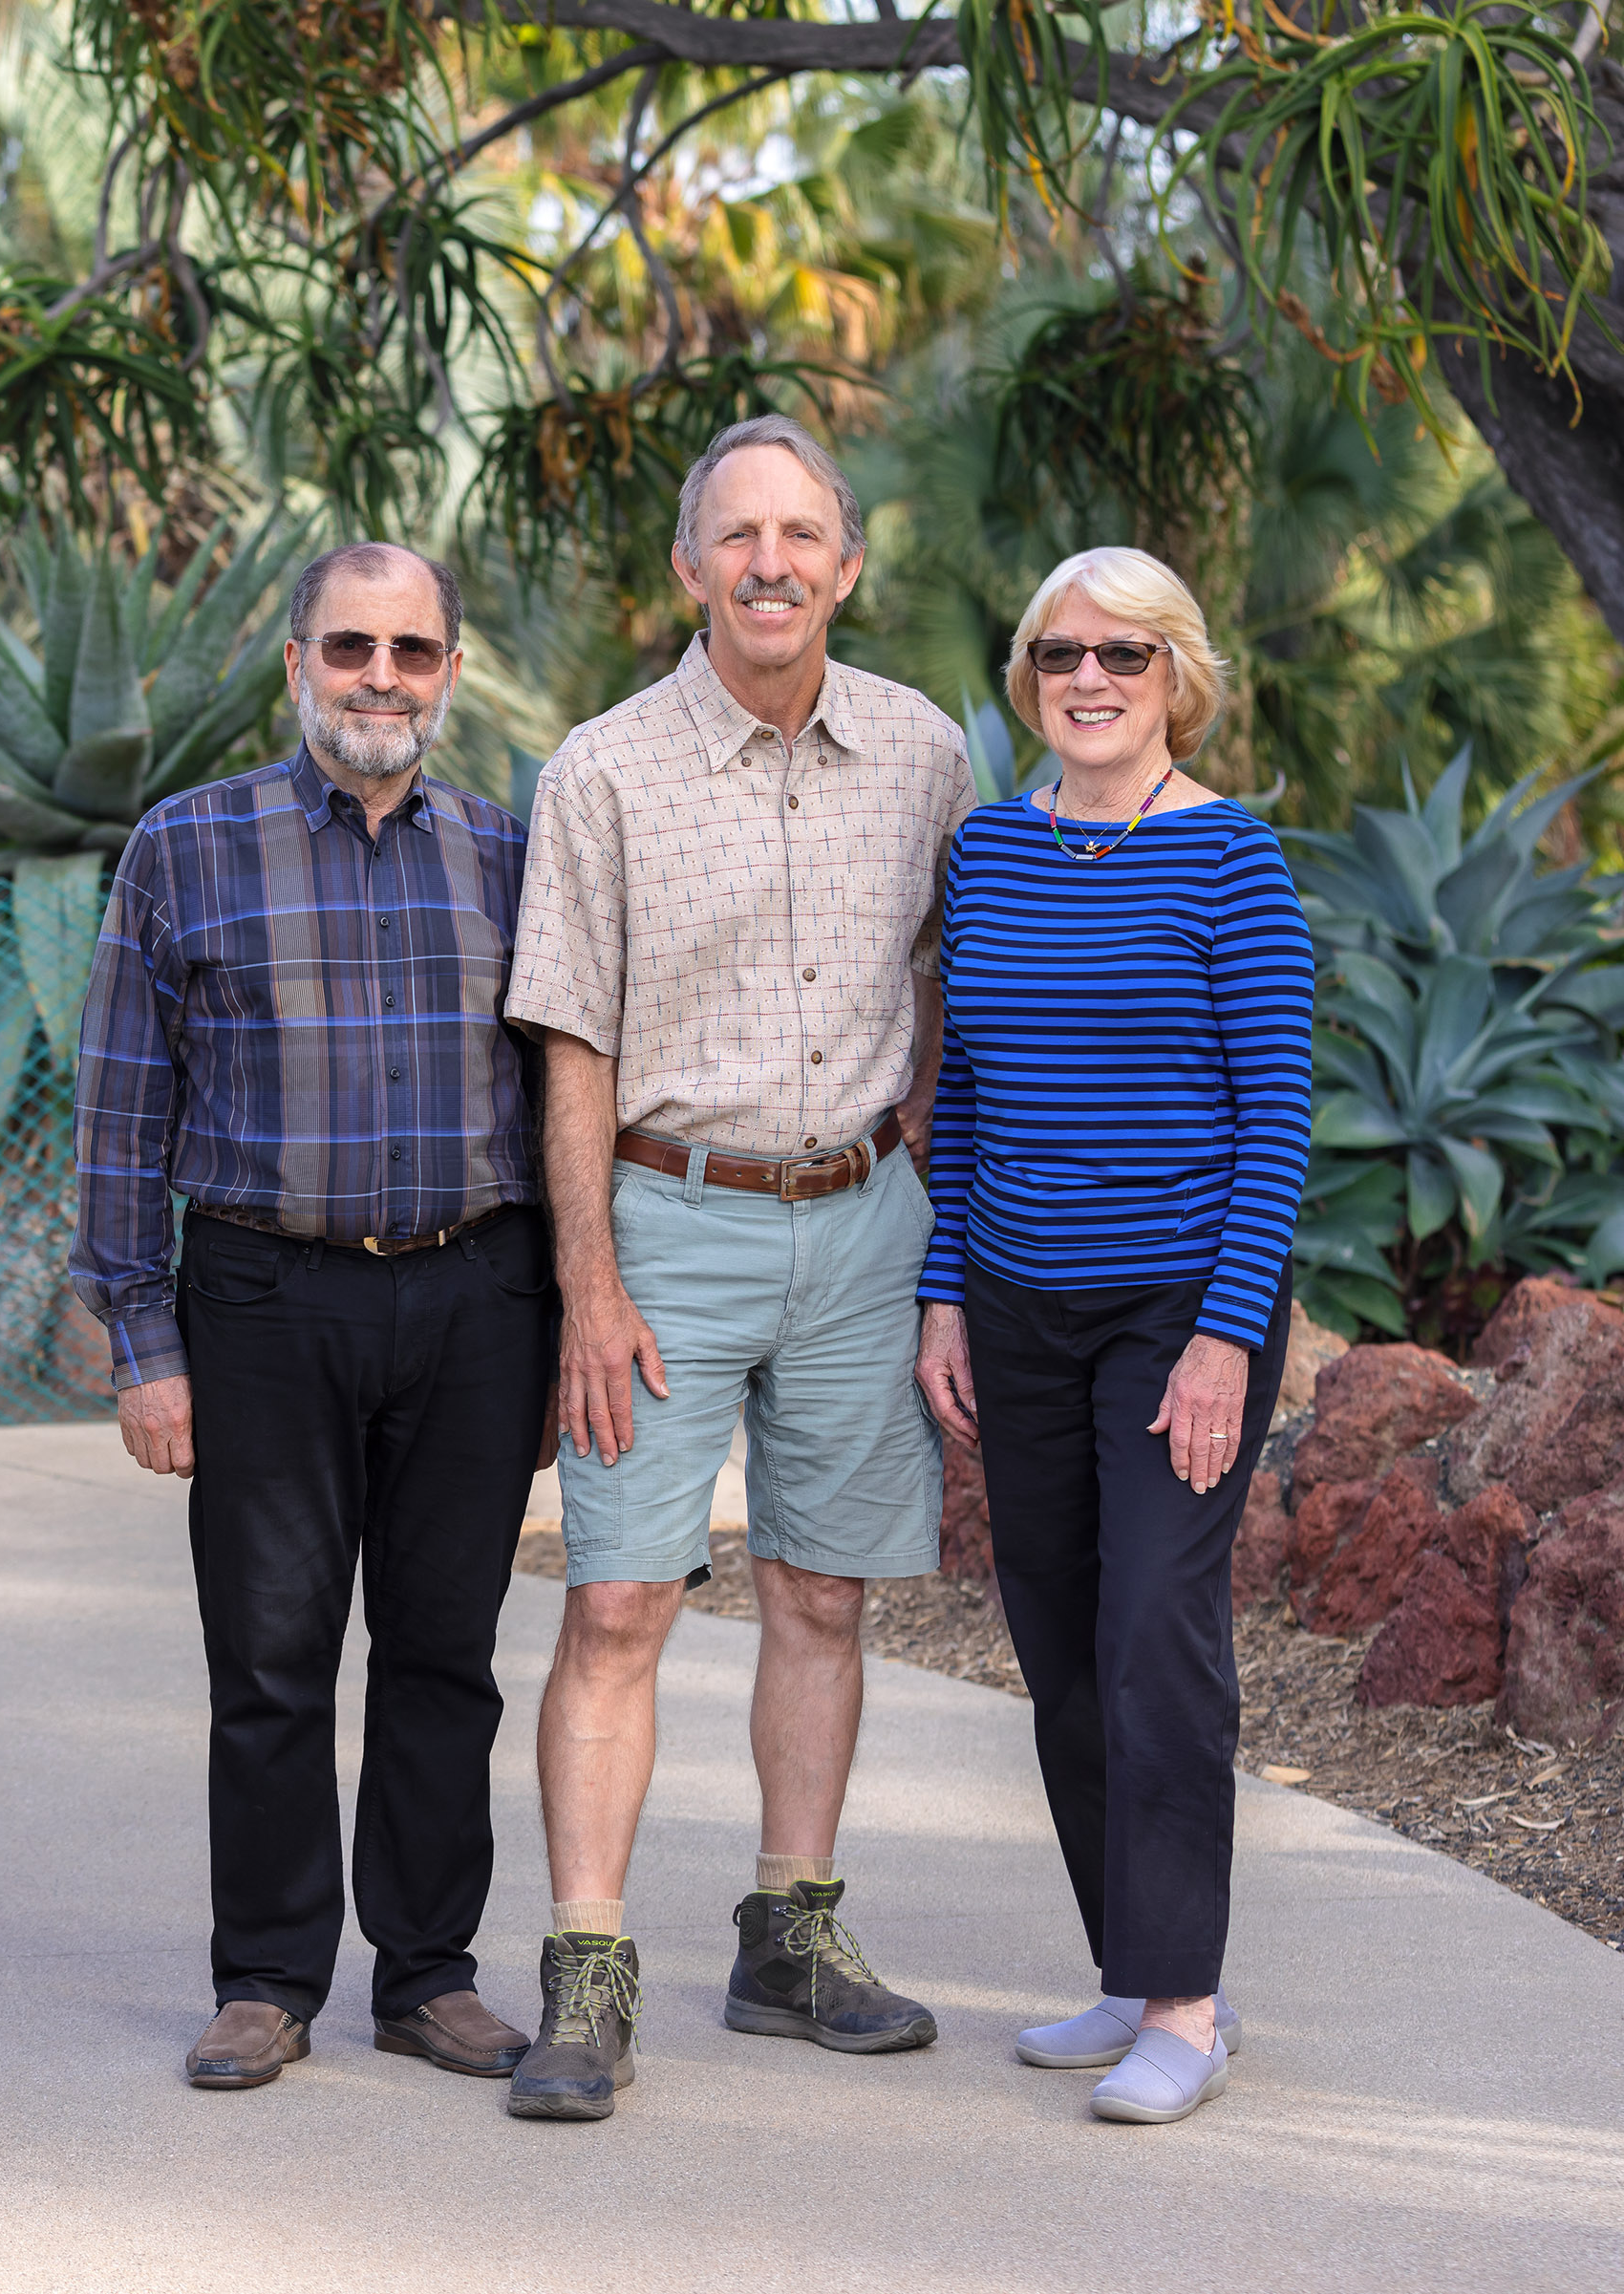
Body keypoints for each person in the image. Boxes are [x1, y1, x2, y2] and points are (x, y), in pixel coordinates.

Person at [499, 415, 968, 2122]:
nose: (771, 562)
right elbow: (570, 1051)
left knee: (825, 1593)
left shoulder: (927, 753)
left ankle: (792, 1932)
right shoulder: (601, 769)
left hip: (862, 1220)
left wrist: (934, 1223)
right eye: (737, 535)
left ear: (846, 565)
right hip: (668, 1223)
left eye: (803, 534)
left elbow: (957, 994)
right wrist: (591, 1286)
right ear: (687, 568)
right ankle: (587, 1963)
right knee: (620, 1598)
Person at [69, 541, 557, 2093]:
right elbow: (119, 1114)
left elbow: (560, 1101)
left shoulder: (510, 852)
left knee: (445, 1654)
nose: (381, 678)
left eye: (414, 651)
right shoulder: (185, 847)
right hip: (265, 1295)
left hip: (476, 1292)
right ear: (297, 662)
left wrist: (558, 1324)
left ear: (451, 676)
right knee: (271, 1653)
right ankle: (268, 1978)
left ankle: (426, 1977)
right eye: (352, 646)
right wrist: (144, 1346)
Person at [910, 545, 1314, 2126]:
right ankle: (1126, 1967)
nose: (1088, 678)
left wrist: (1223, 1342)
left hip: (1176, 1311)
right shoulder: (992, 851)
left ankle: (1189, 2008)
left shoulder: (1233, 862)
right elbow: (974, 1100)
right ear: (1029, 678)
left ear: (1177, 679)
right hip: (1016, 1301)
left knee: (1157, 1631)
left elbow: (1276, 1121)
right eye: (1061, 653)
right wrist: (946, 1288)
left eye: (1124, 656)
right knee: (1063, 1642)